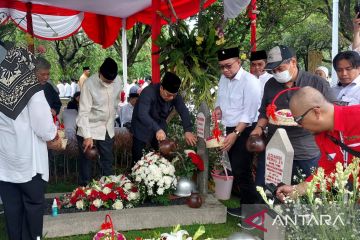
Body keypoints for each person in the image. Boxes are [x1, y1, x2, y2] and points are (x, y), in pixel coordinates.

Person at [250, 45, 337, 189]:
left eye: (280, 68)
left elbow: (334, 112)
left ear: (293, 62)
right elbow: (264, 112)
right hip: (275, 150)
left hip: (305, 151)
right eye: (273, 70)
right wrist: (258, 128)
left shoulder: (316, 83)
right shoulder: (271, 84)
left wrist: (310, 120)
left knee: (306, 196)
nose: (277, 73)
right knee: (265, 190)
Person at [0, 44, 62, 240]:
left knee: (12, 210)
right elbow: (43, 127)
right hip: (28, 164)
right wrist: (55, 137)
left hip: (5, 164)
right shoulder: (32, 91)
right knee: (33, 208)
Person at [276, 86, 360, 201]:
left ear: (317, 112)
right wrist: (296, 189)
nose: (299, 126)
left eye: (299, 120)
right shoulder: (322, 136)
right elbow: (328, 171)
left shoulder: (356, 116)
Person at [214, 47, 262, 216]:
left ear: (238, 62)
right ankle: (247, 205)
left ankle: (252, 208)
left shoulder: (250, 81)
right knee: (235, 167)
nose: (225, 70)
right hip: (230, 128)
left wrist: (235, 134)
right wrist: (218, 110)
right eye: (221, 67)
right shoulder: (223, 79)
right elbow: (220, 100)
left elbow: (249, 113)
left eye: (228, 66)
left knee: (242, 168)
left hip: (246, 129)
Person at [131, 72, 197, 165]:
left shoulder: (173, 95)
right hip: (142, 127)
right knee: (138, 160)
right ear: (161, 88)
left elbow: (183, 110)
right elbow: (142, 114)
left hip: (159, 126)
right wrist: (157, 129)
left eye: (173, 95)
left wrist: (188, 130)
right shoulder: (148, 92)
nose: (171, 98)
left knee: (162, 158)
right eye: (168, 94)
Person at [76, 58, 121, 186]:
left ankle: (108, 191)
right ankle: (84, 192)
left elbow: (116, 101)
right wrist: (87, 136)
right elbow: (83, 112)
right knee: (87, 162)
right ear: (99, 72)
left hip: (107, 128)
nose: (108, 83)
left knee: (107, 161)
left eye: (111, 81)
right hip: (89, 127)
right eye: (106, 81)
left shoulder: (118, 81)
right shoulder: (89, 84)